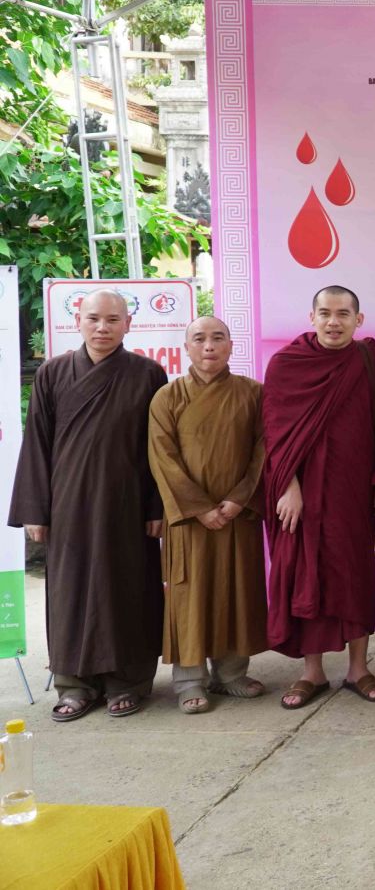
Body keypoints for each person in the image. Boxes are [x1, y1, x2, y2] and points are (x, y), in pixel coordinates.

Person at [10, 290, 167, 721]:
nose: (102, 328)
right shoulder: (53, 373)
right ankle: (75, 684)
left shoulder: (148, 374)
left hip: (128, 505)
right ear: (78, 320)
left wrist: (157, 505)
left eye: (113, 320)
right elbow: (37, 442)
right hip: (69, 505)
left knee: (127, 588)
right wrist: (35, 510)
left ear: (128, 324)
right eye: (94, 318)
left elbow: (160, 448)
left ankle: (127, 682)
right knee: (70, 592)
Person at [264, 285, 375, 709]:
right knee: (306, 574)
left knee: (354, 574)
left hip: (352, 490)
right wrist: (288, 485)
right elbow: (274, 430)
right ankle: (312, 672)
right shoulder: (287, 364)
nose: (333, 322)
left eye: (343, 314)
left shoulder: (371, 362)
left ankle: (358, 668)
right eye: (325, 313)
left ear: (359, 320)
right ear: (312, 317)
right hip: (299, 494)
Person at [147, 316, 269, 714]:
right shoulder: (167, 397)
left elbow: (263, 451)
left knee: (237, 589)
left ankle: (230, 674)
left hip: (237, 514)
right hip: (189, 520)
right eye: (199, 339)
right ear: (186, 348)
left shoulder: (253, 393)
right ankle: (189, 680)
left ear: (231, 346)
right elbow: (162, 458)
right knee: (190, 594)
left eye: (218, 338)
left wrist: (238, 499)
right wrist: (199, 508)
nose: (209, 346)